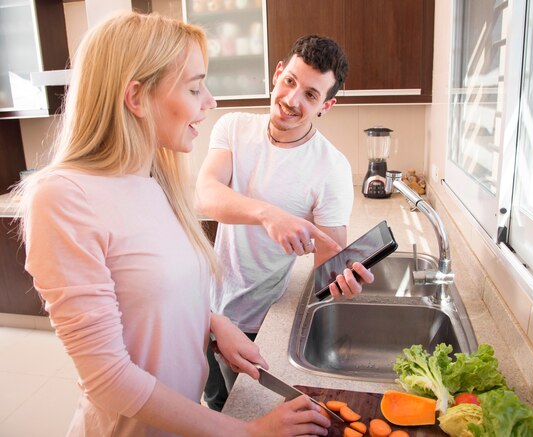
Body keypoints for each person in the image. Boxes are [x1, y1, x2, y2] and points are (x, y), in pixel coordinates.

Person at [13, 13, 331, 437]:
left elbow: (159, 296)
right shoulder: (63, 198)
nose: (210, 101)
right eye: (195, 86)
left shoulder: (155, 180)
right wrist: (250, 432)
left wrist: (215, 325)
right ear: (137, 98)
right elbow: (107, 377)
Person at [196, 34, 375, 411]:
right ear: (278, 73)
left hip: (261, 321)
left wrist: (343, 284)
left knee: (243, 413)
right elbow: (206, 194)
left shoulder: (331, 168)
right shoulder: (233, 127)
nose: (292, 100)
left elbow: (330, 265)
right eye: (290, 81)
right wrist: (269, 214)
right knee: (214, 404)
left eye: (311, 95)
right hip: (203, 308)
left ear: (327, 105)